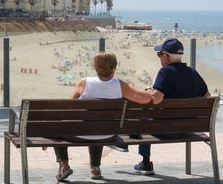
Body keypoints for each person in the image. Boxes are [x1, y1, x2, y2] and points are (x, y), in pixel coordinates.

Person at [54, 51, 152, 181]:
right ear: (114, 68)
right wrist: (151, 92)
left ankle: (64, 165)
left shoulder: (84, 83)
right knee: (100, 125)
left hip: (81, 134)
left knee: (58, 127)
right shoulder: (121, 86)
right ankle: (95, 168)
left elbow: (68, 109)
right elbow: (145, 99)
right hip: (108, 134)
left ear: (95, 67)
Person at [133, 38, 211, 175]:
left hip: (167, 130)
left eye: (159, 55)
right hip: (189, 128)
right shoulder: (193, 72)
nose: (159, 58)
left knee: (144, 120)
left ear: (166, 56)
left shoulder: (165, 72)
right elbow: (207, 96)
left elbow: (156, 99)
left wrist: (150, 91)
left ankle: (146, 163)